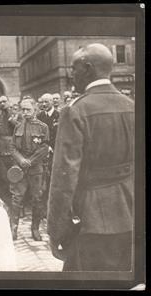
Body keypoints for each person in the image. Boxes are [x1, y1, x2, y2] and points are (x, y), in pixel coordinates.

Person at [47, 43, 134, 271]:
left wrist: (56, 230)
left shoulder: (75, 110)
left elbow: (63, 178)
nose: (71, 74)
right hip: (132, 214)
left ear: (87, 68)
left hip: (92, 220)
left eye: (74, 68)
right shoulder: (132, 107)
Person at [10, 98, 49, 241]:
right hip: (20, 168)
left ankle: (35, 229)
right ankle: (13, 229)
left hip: (35, 168)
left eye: (28, 110)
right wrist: (21, 160)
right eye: (23, 109)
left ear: (35, 110)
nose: (25, 112)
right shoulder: (18, 127)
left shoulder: (42, 127)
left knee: (37, 199)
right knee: (16, 198)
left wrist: (30, 161)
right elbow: (13, 147)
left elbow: (44, 148)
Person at [37, 93, 60, 219]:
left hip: (56, 153)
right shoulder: (39, 116)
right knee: (42, 181)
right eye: (42, 102)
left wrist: (53, 147)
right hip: (42, 153)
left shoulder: (59, 115)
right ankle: (43, 210)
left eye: (47, 102)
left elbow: (63, 135)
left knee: (53, 181)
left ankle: (54, 209)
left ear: (52, 102)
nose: (44, 105)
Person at [0, 95, 17, 207]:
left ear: (9, 102)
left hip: (13, 151)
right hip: (1, 151)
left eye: (4, 101)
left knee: (15, 177)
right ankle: (5, 204)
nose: (2, 104)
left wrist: (12, 120)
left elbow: (19, 129)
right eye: (0, 102)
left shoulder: (16, 115)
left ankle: (16, 205)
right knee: (2, 179)